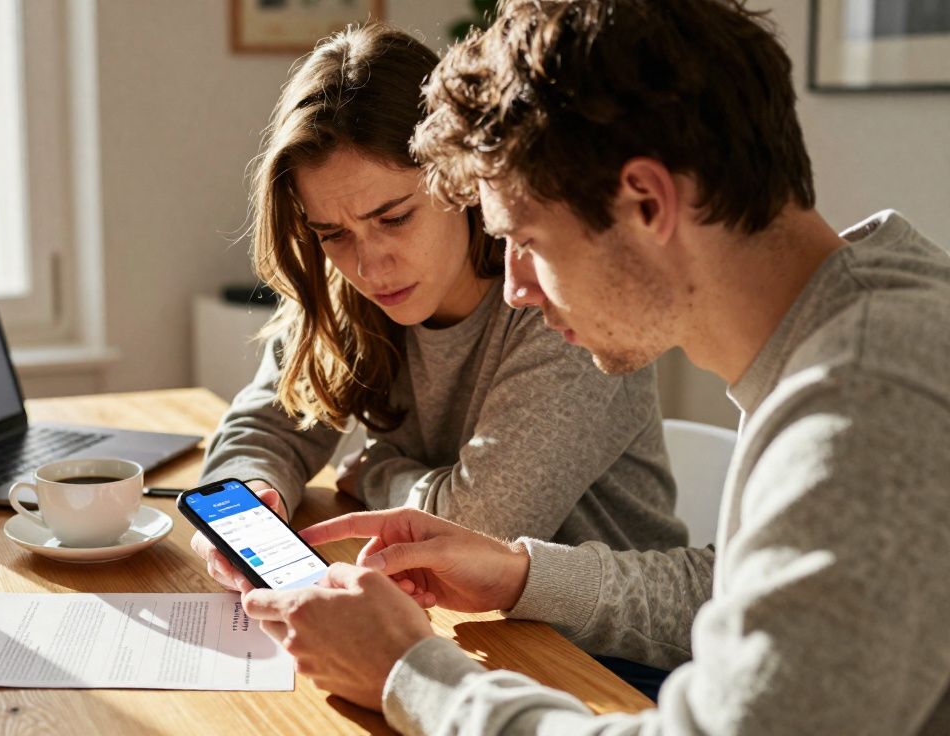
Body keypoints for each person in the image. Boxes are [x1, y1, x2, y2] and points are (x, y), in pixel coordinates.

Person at [236, 1, 950, 734]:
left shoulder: (866, 404)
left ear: (646, 202)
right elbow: (734, 599)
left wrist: (408, 675)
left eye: (528, 241)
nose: (513, 285)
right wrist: (521, 574)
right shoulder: (840, 330)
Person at [192, 24, 686, 597]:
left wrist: (377, 469)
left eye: (394, 218)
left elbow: (476, 529)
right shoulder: (349, 287)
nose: (369, 266)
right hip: (470, 625)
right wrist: (251, 496)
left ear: (460, 180)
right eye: (332, 233)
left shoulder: (555, 302)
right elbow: (264, 425)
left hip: (600, 658)